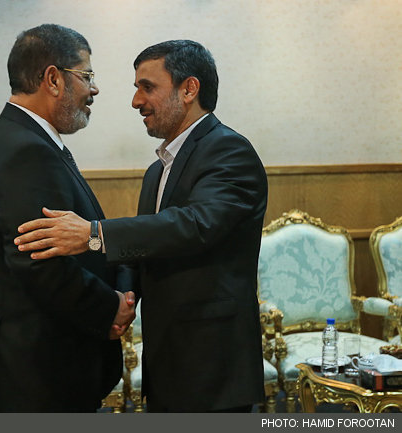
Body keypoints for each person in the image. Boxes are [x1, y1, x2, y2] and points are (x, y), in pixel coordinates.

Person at [14, 40, 268, 412]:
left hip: (213, 370)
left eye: (147, 87)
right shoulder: (156, 171)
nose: (136, 101)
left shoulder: (229, 150)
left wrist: (94, 234)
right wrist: (120, 300)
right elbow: (147, 250)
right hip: (166, 365)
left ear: (189, 89)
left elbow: (195, 225)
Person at [0, 24, 136, 413]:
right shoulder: (25, 152)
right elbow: (40, 263)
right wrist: (109, 308)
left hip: (31, 368)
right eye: (87, 75)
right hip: (34, 374)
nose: (94, 89)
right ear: (53, 79)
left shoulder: (18, 140)